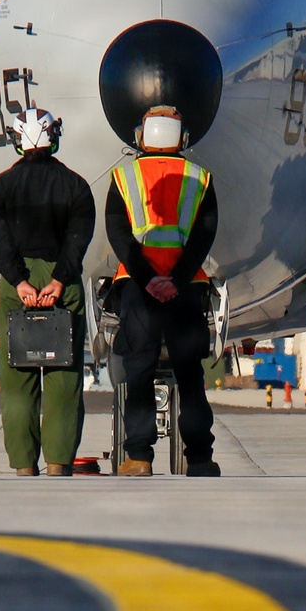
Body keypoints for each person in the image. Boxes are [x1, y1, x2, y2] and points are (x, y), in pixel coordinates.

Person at [105, 104, 220, 477]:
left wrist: (147, 279)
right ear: (181, 138)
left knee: (139, 372)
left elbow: (119, 235)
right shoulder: (200, 177)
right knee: (190, 376)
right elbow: (205, 236)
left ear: (141, 136)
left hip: (139, 291)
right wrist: (178, 279)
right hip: (185, 291)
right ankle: (200, 459)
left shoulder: (123, 178)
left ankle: (139, 457)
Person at [0, 107, 95, 476]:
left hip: (20, 285)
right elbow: (78, 240)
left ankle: (22, 466)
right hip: (62, 284)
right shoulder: (76, 187)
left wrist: (20, 282)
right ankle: (58, 464)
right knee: (64, 378)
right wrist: (60, 281)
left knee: (18, 378)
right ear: (54, 138)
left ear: (17, 141)